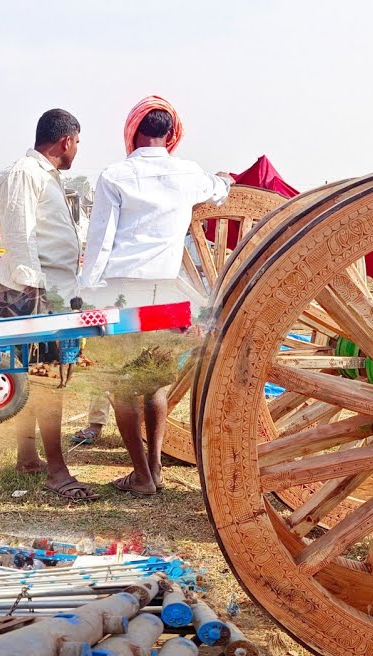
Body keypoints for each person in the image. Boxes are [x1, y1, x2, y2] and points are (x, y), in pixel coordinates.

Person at [75, 97, 230, 497]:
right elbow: (218, 192)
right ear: (171, 134)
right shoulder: (188, 173)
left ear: (133, 131)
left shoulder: (115, 175)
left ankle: (142, 475)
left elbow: (100, 242)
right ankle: (156, 468)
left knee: (122, 387)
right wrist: (224, 180)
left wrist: (86, 291)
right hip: (165, 293)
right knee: (156, 385)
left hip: (121, 291)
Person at [0, 108, 93, 501]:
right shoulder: (25, 173)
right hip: (34, 293)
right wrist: (34, 292)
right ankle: (56, 470)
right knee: (45, 380)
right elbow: (19, 235)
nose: (77, 151)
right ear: (66, 141)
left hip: (48, 290)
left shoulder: (42, 176)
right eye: (78, 143)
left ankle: (28, 455)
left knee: (36, 377)